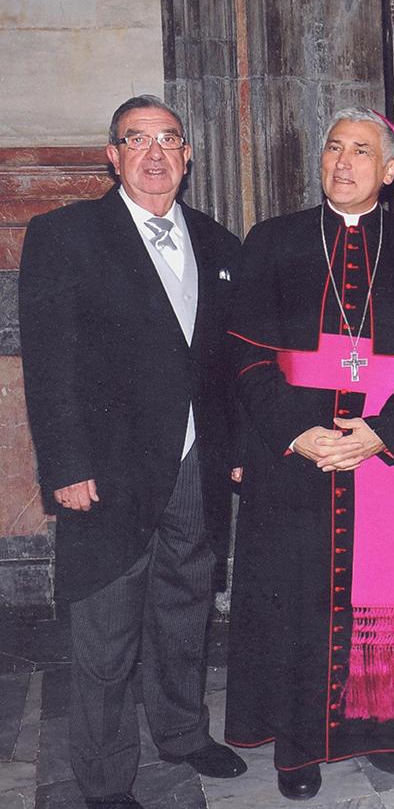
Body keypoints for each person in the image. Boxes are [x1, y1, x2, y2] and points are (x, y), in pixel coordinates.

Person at [223, 107, 394, 801]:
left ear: (389, 172)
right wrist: (299, 433)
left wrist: (382, 434)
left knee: (381, 593)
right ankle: (296, 745)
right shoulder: (273, 241)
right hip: (294, 454)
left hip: (386, 452)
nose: (344, 162)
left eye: (362, 151)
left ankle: (382, 730)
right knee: (294, 594)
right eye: (333, 148)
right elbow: (244, 355)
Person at [19, 95, 246, 809]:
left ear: (187, 156)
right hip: (105, 474)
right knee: (105, 635)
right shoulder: (65, 234)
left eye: (169, 140)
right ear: (111, 156)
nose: (155, 155)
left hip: (195, 467)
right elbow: (50, 364)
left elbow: (228, 364)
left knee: (185, 612)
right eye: (136, 140)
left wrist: (234, 450)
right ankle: (105, 777)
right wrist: (65, 467)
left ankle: (182, 734)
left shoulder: (218, 242)